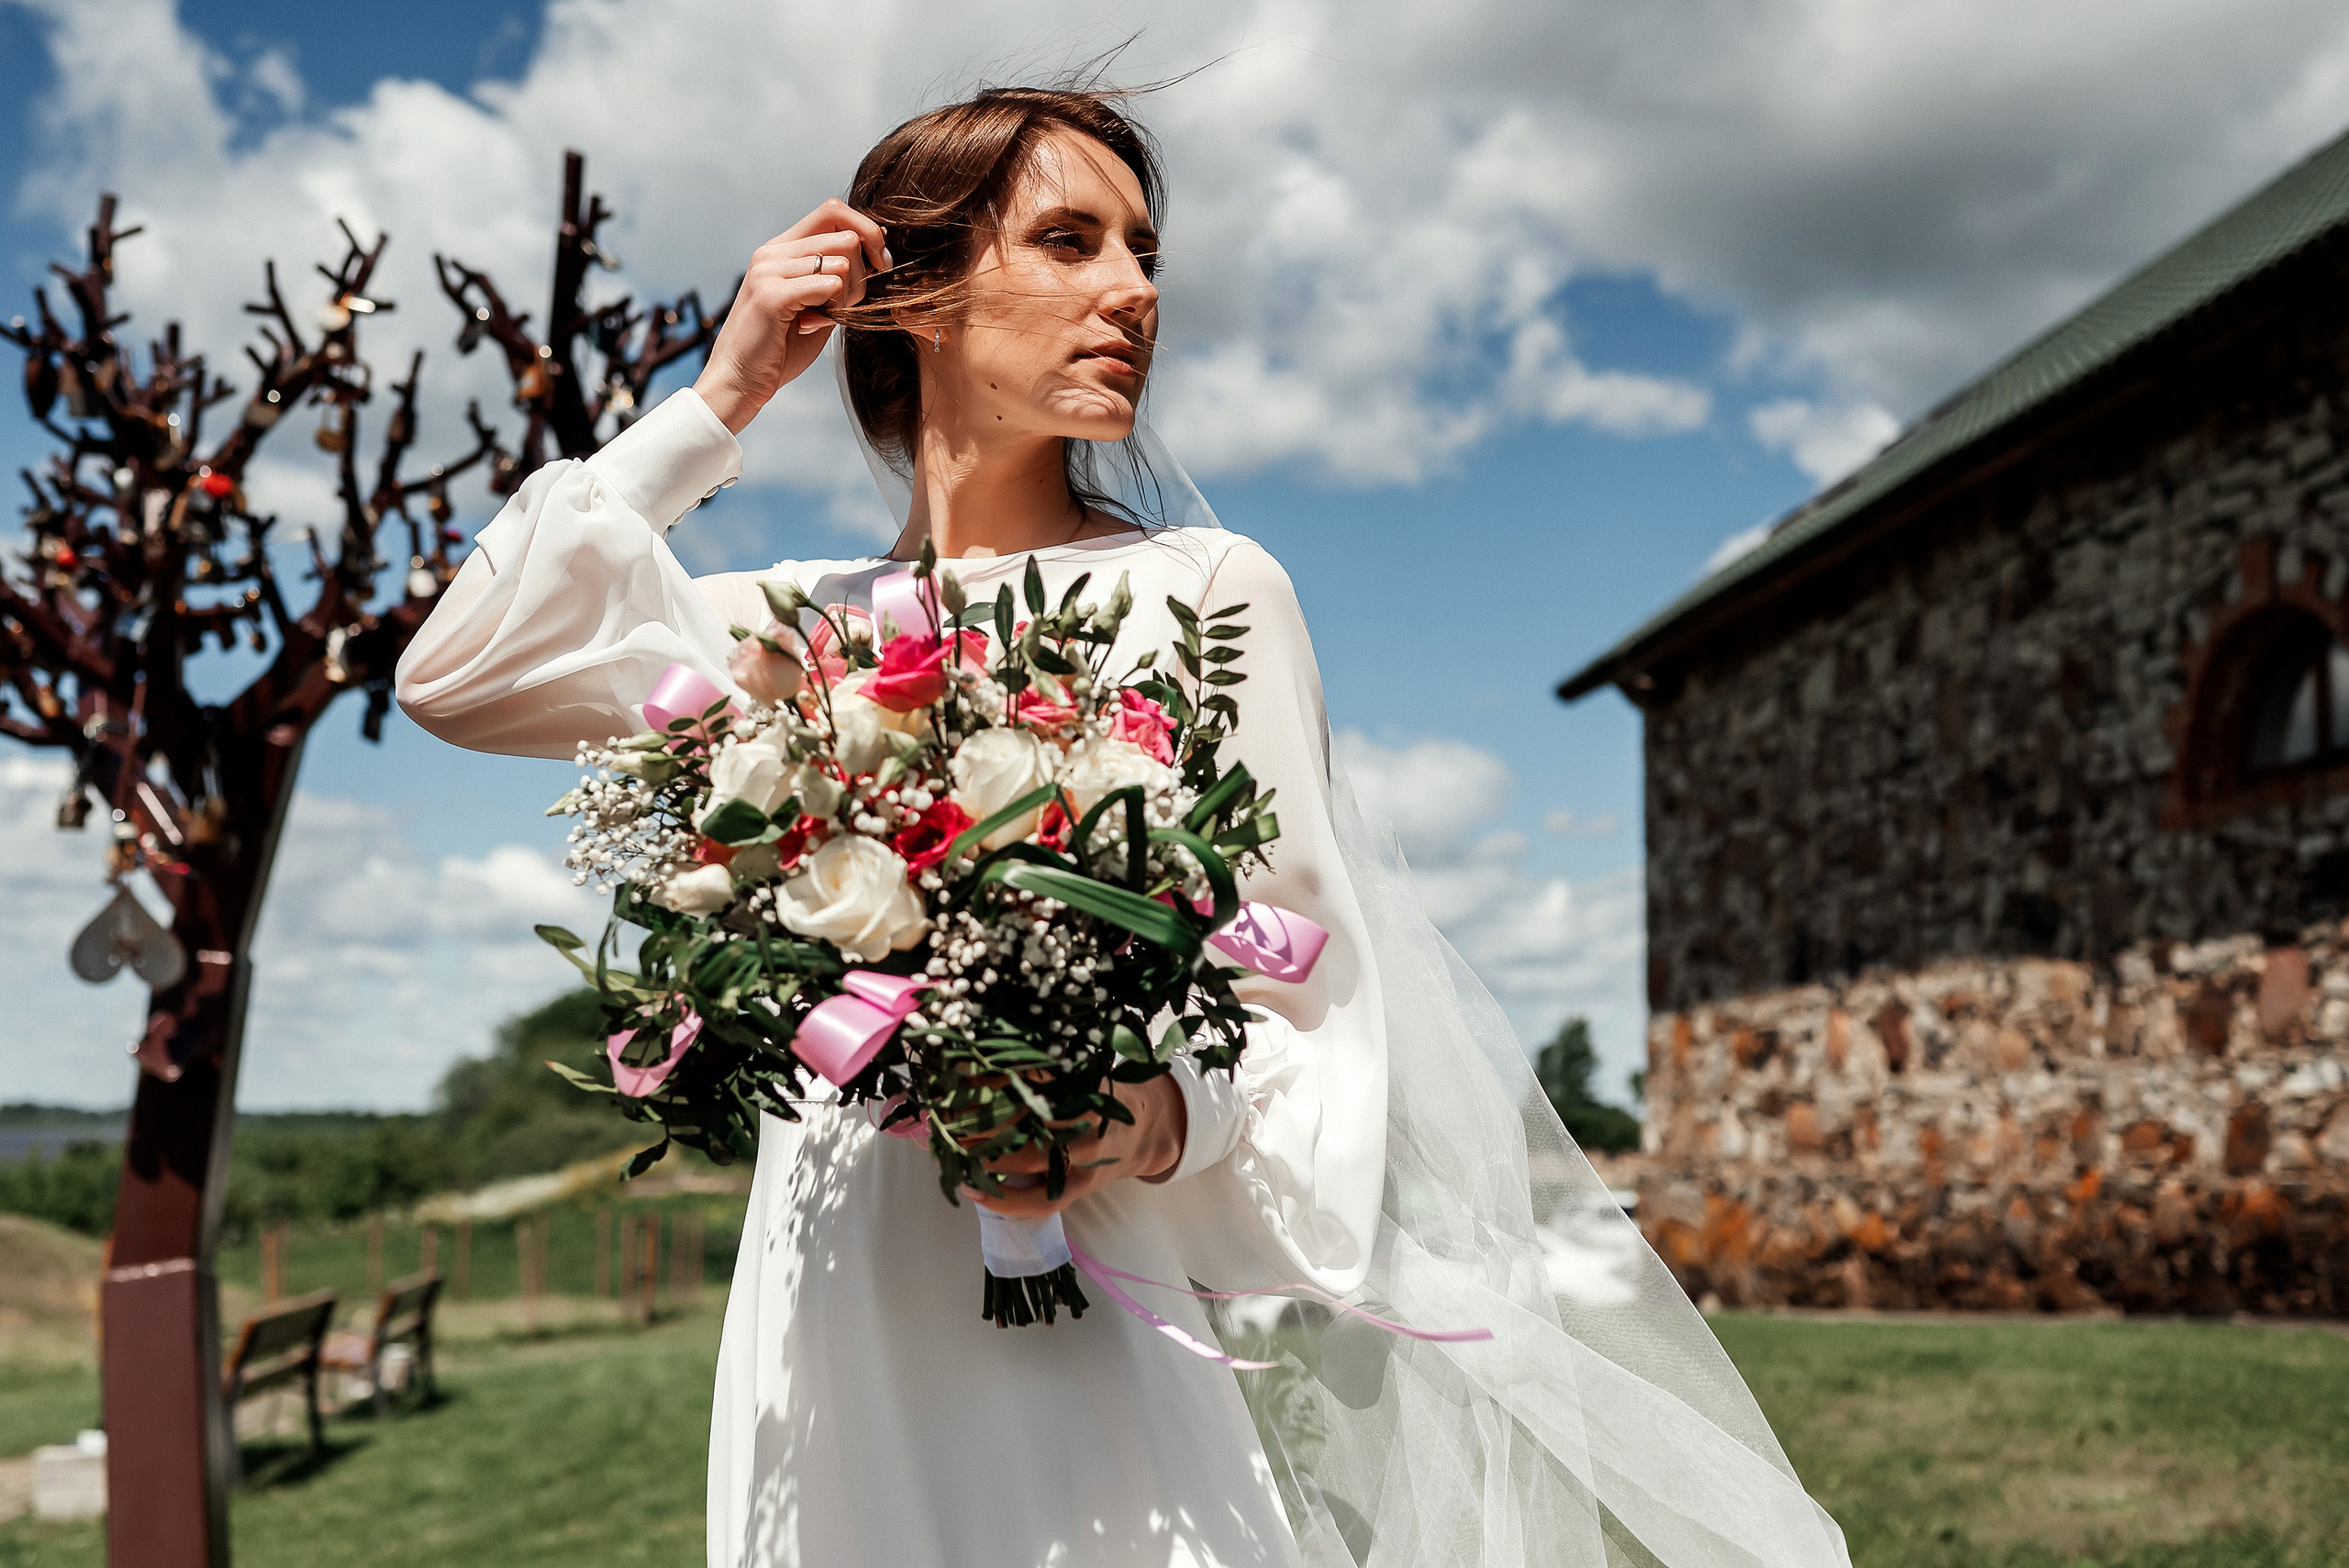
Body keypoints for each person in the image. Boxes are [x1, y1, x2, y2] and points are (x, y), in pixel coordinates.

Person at [397, 84, 1850, 1568]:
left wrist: (1154, 1114)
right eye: (1070, 240)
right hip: (823, 1332)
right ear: (919, 296)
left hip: (1085, 1301)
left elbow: (1312, 989)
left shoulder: (1211, 592)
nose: (1135, 290)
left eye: (1144, 250)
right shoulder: (783, 626)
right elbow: (459, 672)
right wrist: (719, 404)